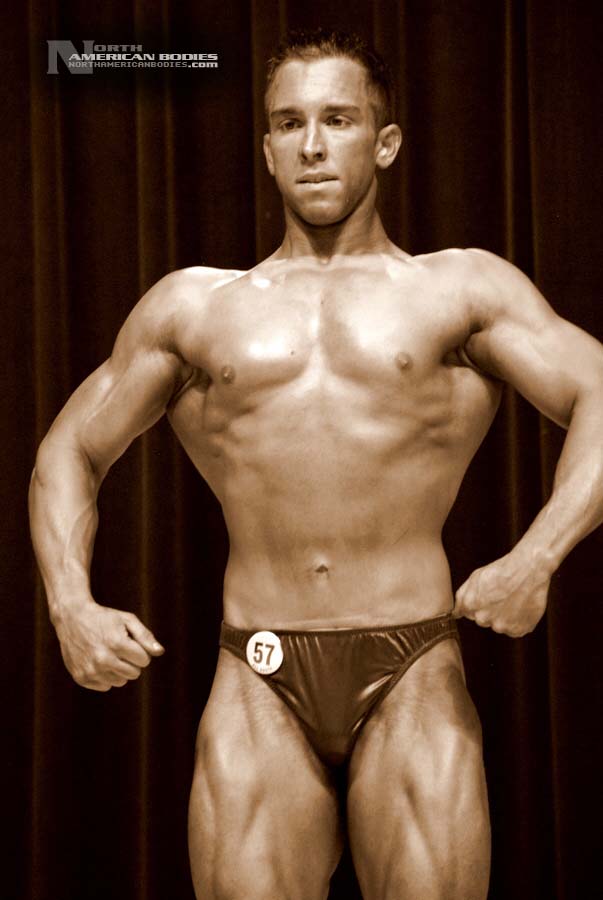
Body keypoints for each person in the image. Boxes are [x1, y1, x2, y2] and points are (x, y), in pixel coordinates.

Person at [29, 28, 603, 900]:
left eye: (337, 120)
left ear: (385, 141)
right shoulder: (193, 307)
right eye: (287, 123)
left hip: (413, 661)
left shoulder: (459, 290)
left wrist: (537, 557)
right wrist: (70, 604)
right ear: (265, 148)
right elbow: (69, 448)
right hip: (257, 669)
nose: (310, 145)